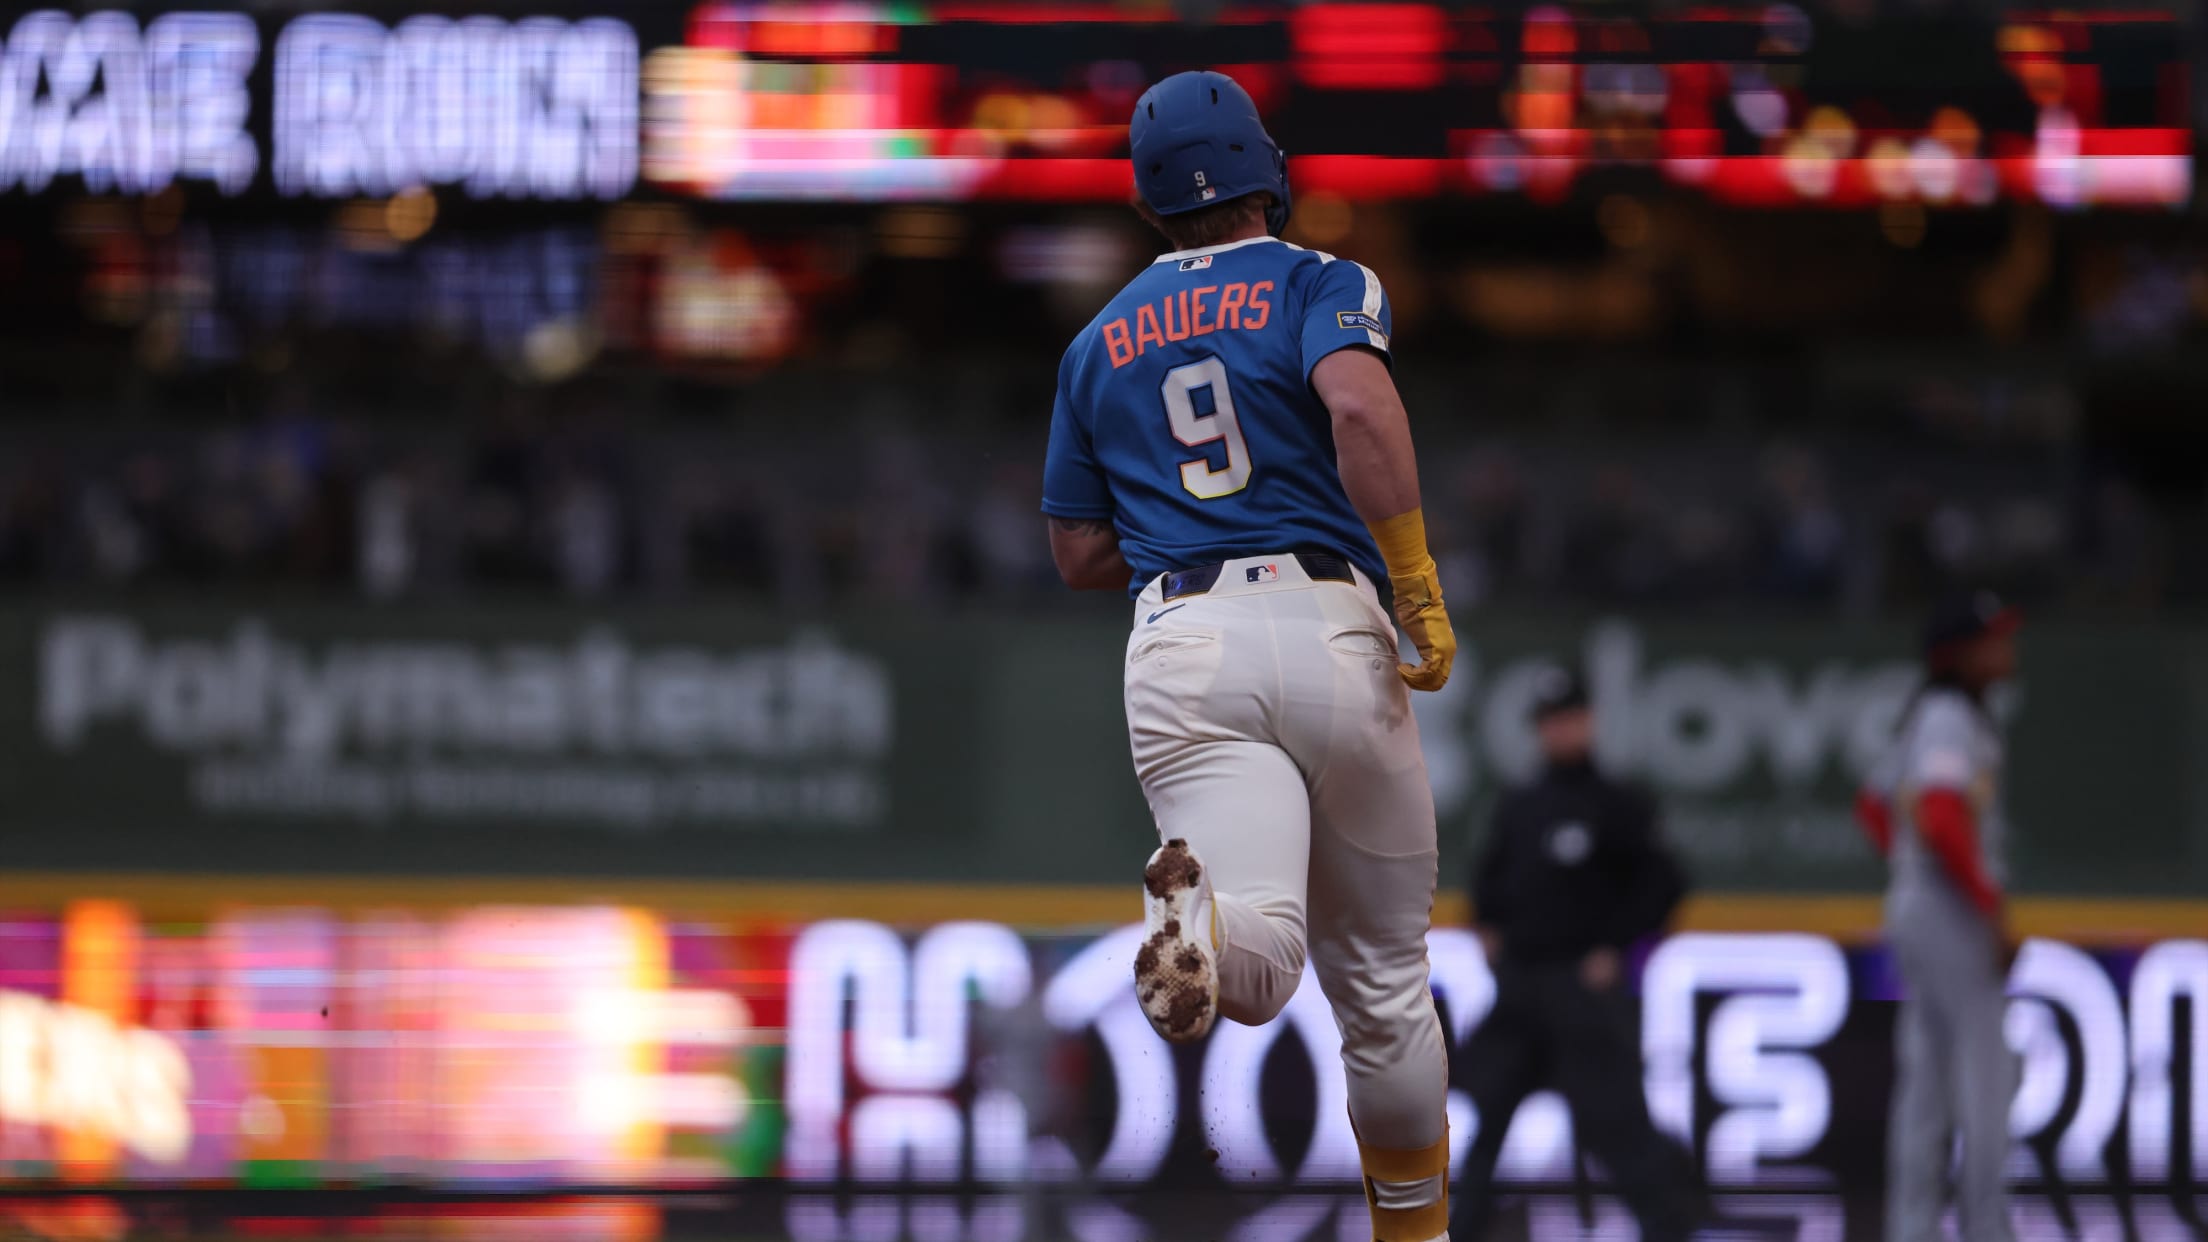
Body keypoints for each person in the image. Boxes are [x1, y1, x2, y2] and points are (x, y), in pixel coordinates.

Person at [1041, 70, 1457, 1242]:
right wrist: (1415, 580)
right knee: (1381, 986)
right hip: (1330, 617)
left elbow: (1076, 553)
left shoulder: (1094, 343)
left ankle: (1199, 926)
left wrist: (1184, 521)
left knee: (1256, 973)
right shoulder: (1320, 279)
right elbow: (1364, 415)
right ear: (1266, 172)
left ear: (1149, 202)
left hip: (1185, 636)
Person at [1451, 668, 1697, 1242]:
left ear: (1588, 721)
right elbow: (1485, 889)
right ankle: (1454, 1235)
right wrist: (1490, 934)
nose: (1560, 731)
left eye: (1569, 718)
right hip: (1521, 992)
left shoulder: (1617, 804)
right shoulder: (1519, 803)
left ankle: (1673, 1230)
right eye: (1550, 722)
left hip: (1583, 997)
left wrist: (1616, 948)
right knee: (1485, 1129)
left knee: (1621, 1133)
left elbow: (1665, 885)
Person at [1856, 590, 2023, 1242]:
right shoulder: (1950, 715)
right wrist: (1985, 903)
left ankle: (1912, 1229)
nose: (2005, 650)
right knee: (1986, 1080)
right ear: (1959, 654)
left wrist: (1909, 872)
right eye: (1993, 640)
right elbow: (1945, 815)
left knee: (1925, 1084)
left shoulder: (1927, 713)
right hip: (1950, 911)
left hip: (1919, 906)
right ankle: (1988, 1231)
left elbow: (1875, 807)